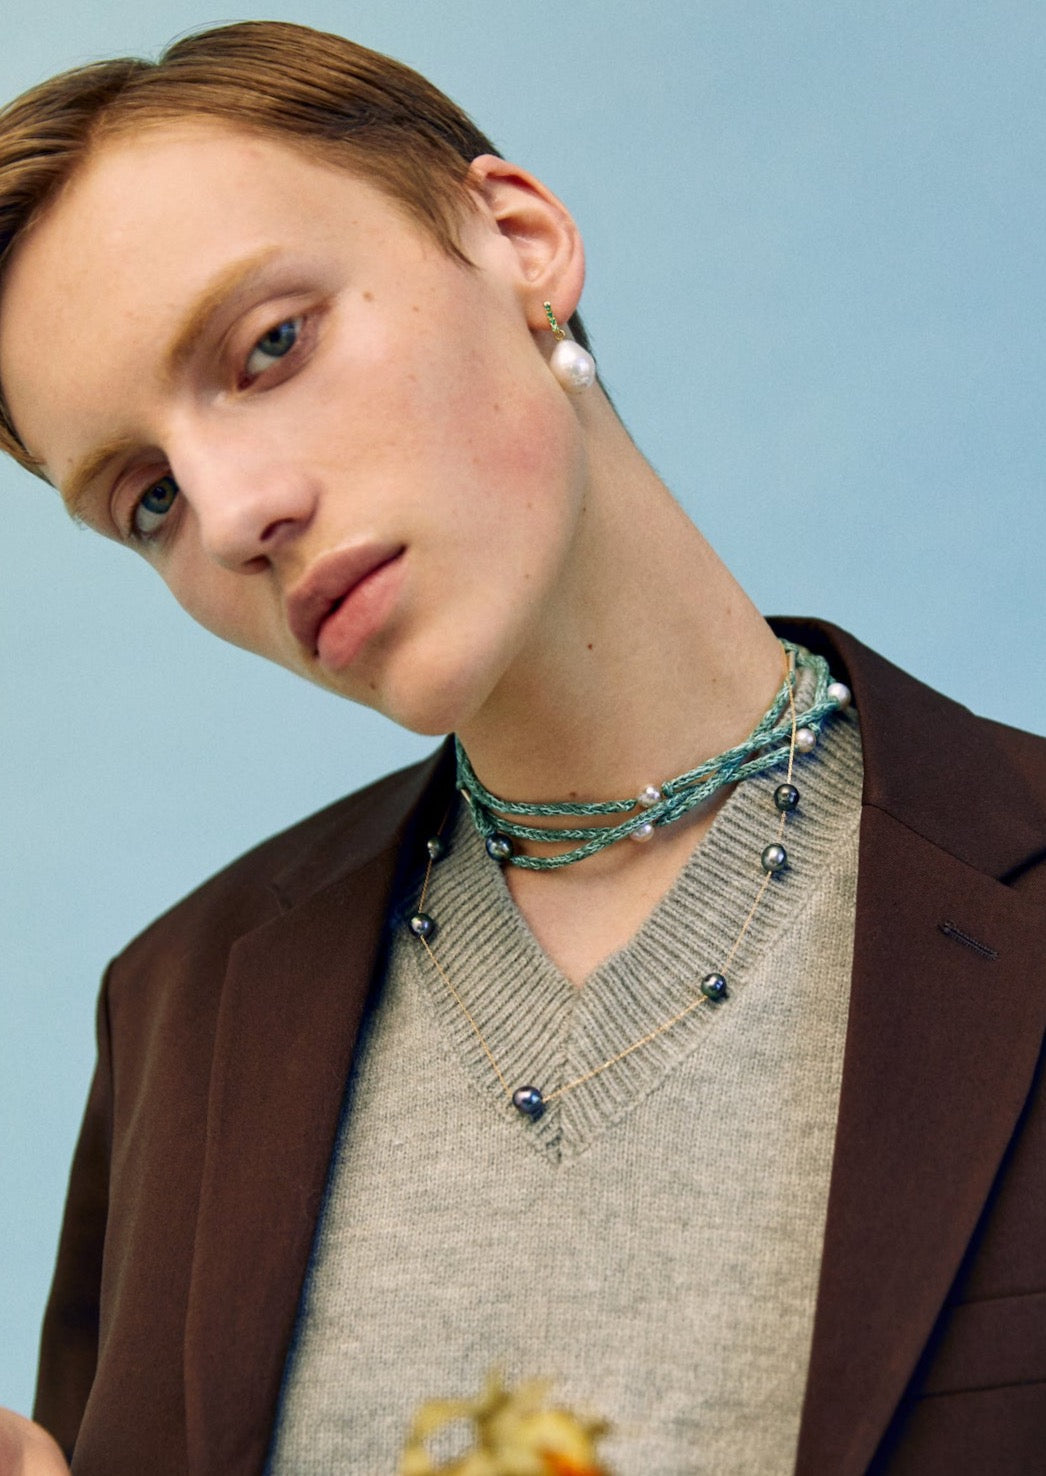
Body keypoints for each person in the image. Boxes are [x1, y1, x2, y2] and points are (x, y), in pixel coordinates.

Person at [0, 19, 1042, 1476]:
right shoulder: (179, 1011)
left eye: (272, 345)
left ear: (519, 242)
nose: (231, 515)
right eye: (147, 499)